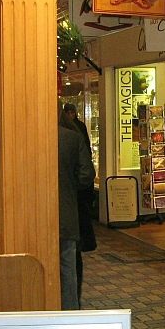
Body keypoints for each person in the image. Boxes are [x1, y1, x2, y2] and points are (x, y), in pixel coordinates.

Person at [58, 110, 96, 310]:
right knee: (67, 268)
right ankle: (69, 314)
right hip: (66, 215)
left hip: (32, 219)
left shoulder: (25, 138)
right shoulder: (71, 138)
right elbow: (86, 175)